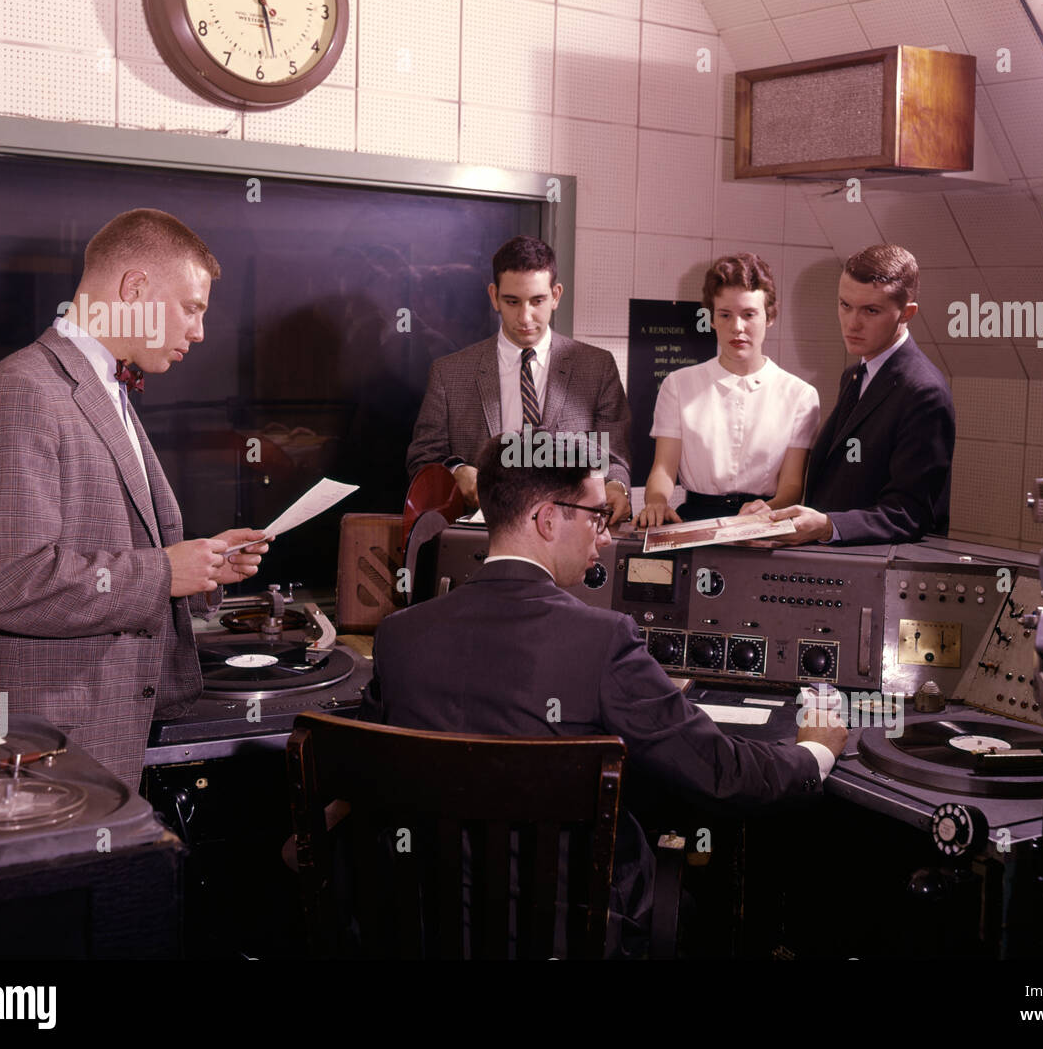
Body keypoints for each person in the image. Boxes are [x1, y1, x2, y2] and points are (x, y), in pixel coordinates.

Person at [362, 433, 847, 955]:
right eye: (597, 517)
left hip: (430, 931)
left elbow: (363, 771)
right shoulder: (603, 641)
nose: (606, 539)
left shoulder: (399, 637)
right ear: (548, 520)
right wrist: (812, 752)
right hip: (571, 937)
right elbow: (721, 774)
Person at [0, 209, 269, 789]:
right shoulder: (19, 391)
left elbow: (115, 549)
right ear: (135, 288)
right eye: (191, 308)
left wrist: (202, 567)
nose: (199, 332)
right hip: (36, 745)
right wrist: (163, 572)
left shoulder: (106, 387)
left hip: (93, 732)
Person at [405, 236, 633, 524]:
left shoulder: (596, 368)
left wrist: (617, 487)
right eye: (512, 302)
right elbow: (423, 459)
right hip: (482, 537)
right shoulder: (449, 374)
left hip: (570, 535)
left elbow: (614, 459)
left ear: (556, 295)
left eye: (537, 301)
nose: (525, 317)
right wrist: (455, 472)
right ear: (494, 296)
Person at [742, 244, 954, 545]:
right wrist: (777, 513)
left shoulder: (924, 392)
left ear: (906, 313)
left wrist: (827, 526)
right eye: (845, 305)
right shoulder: (855, 374)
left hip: (881, 570)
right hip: (840, 564)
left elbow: (910, 514)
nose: (852, 323)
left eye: (871, 310)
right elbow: (837, 484)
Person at [635, 252, 819, 527]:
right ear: (711, 318)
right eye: (725, 314)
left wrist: (767, 510)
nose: (737, 327)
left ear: (769, 317)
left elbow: (792, 487)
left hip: (764, 524)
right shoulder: (678, 384)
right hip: (694, 523)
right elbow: (663, 468)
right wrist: (657, 502)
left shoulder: (800, 395)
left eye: (749, 314)